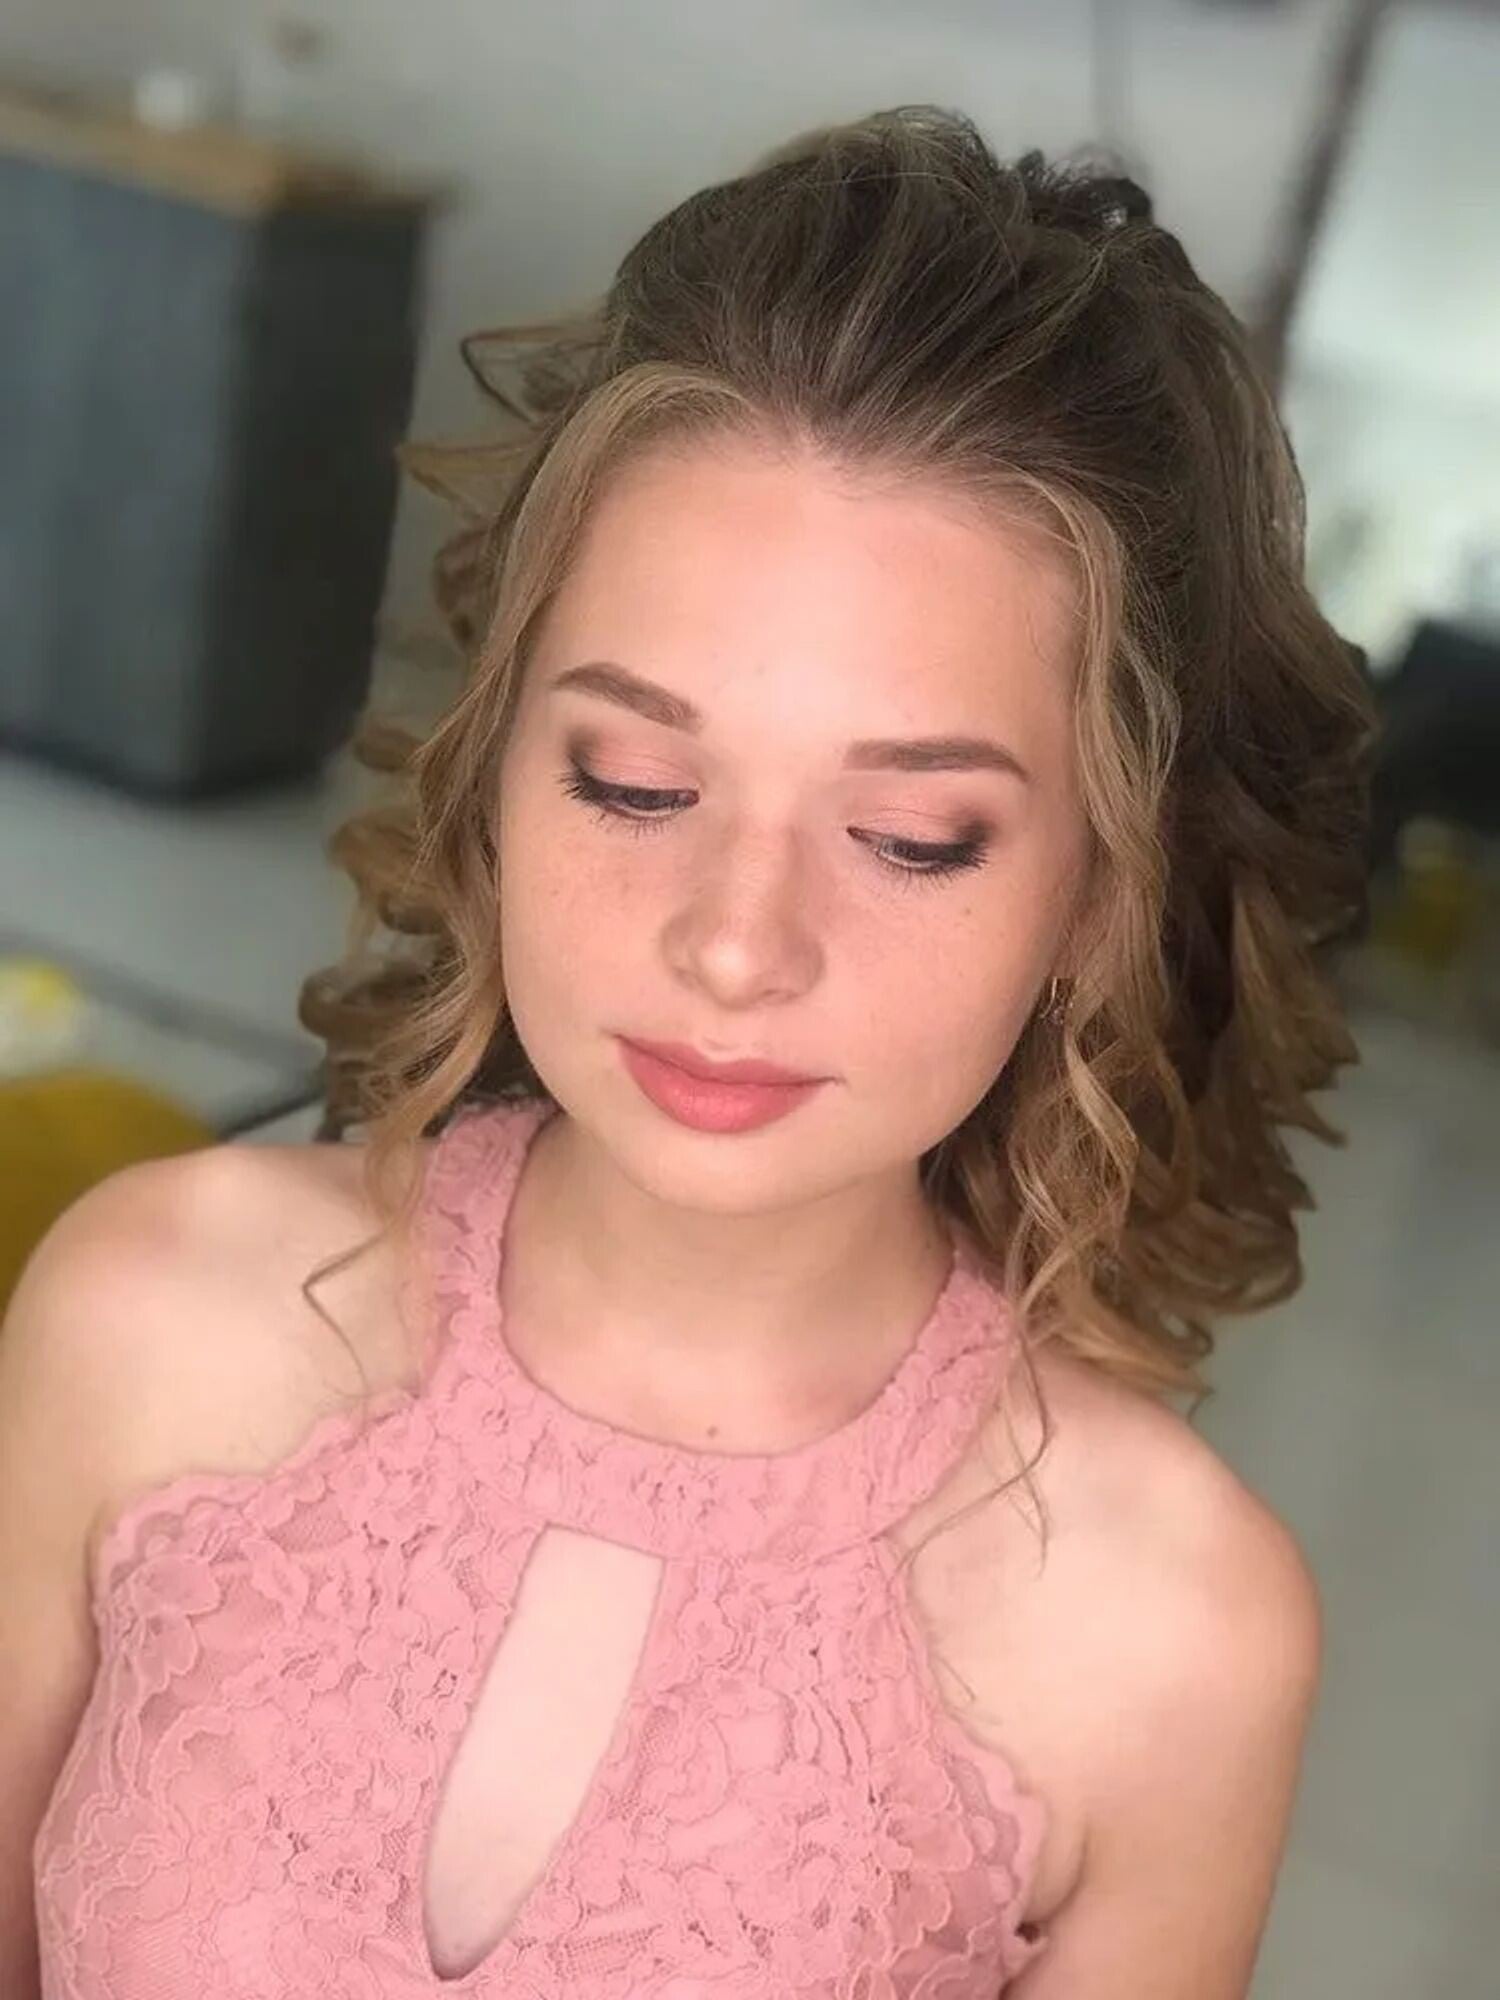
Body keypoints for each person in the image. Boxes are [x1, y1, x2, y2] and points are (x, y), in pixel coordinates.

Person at [0, 105, 1377, 1999]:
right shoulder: (149, 1313)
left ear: (1099, 895)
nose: (734, 943)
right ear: (497, 769)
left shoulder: (1172, 1637)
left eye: (912, 838)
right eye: (638, 782)